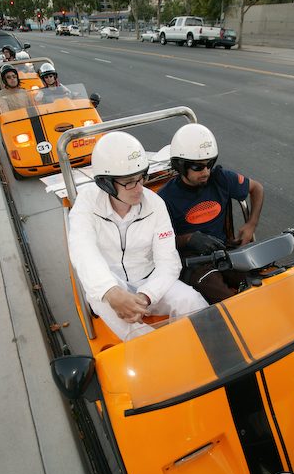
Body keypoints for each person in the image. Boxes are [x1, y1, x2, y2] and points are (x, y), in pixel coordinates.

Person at [68, 132, 208, 341]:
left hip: (149, 279)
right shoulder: (87, 203)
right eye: (130, 182)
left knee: (192, 301)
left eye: (142, 178)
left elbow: (168, 262)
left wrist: (145, 295)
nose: (140, 188)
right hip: (109, 283)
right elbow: (83, 251)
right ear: (106, 183)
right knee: (126, 323)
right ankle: (159, 357)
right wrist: (111, 292)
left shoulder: (155, 204)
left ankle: (213, 353)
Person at [158, 123, 264, 304]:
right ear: (181, 165)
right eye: (198, 167)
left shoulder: (221, 178)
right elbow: (159, 242)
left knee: (260, 281)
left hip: (223, 249)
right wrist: (189, 239)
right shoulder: (165, 198)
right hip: (191, 261)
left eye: (210, 164)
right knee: (227, 300)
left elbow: (257, 188)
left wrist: (251, 223)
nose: (206, 172)